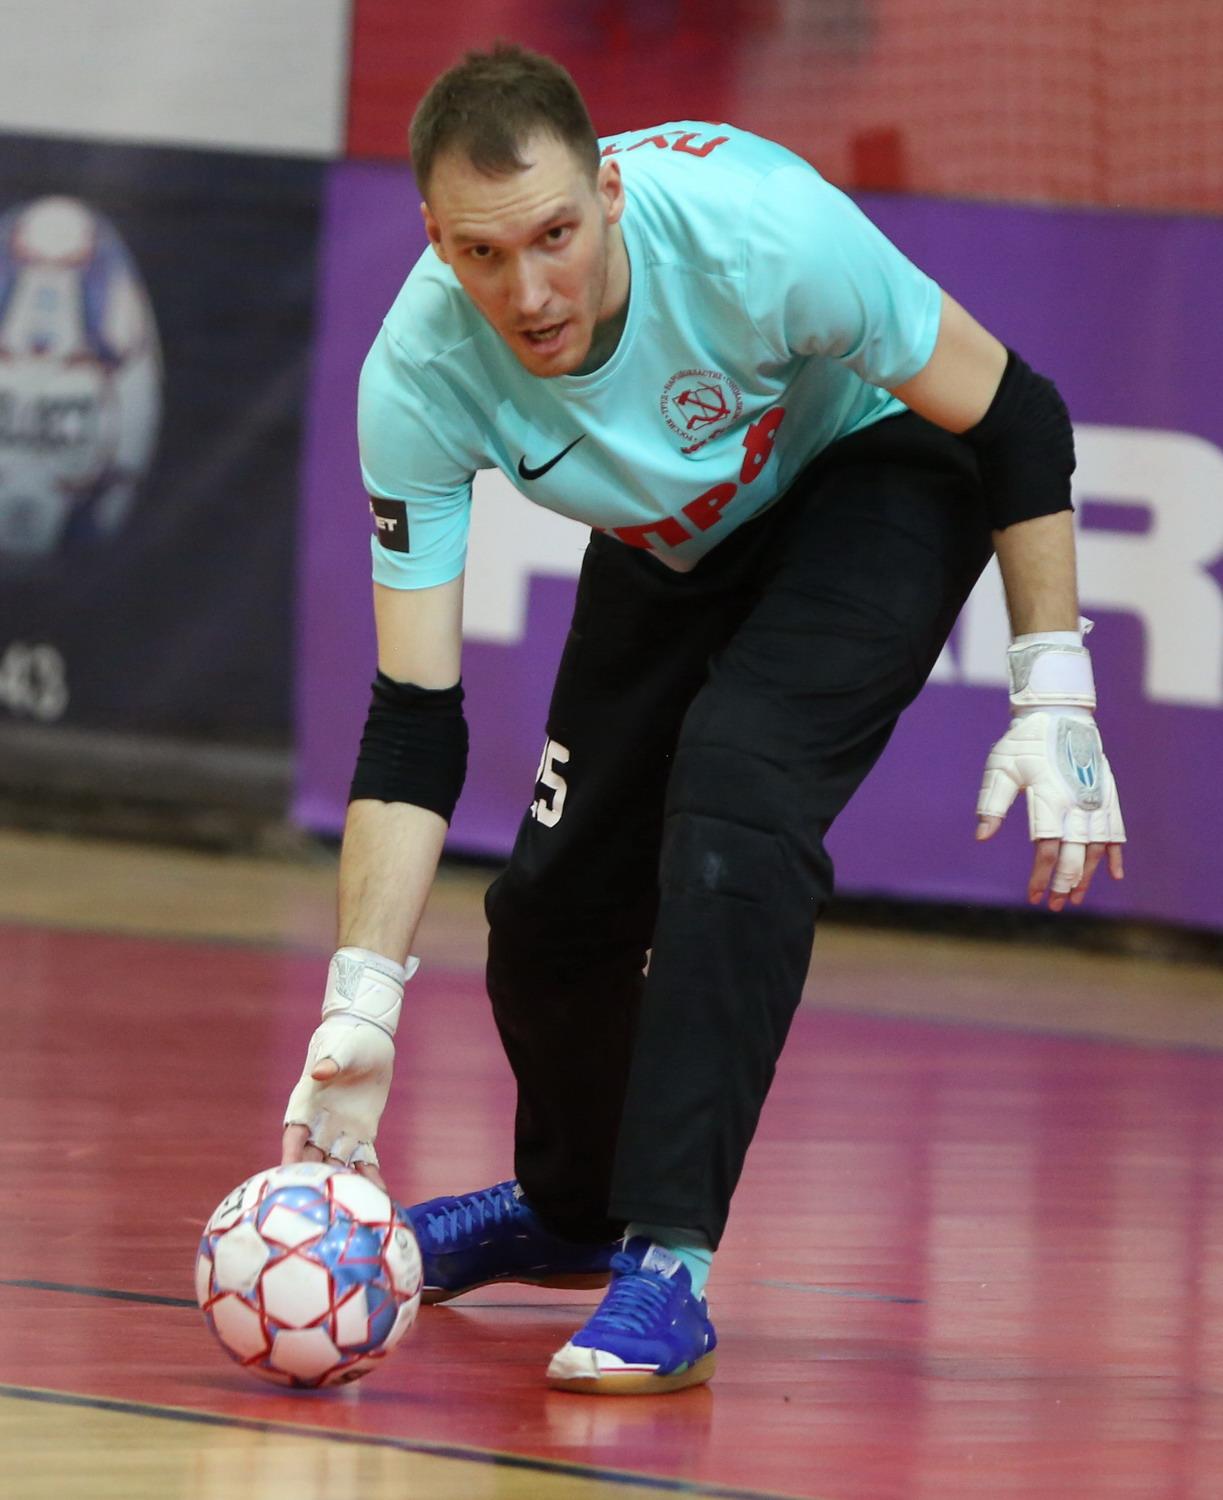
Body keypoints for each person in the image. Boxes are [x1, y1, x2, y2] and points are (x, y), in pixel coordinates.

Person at [281, 43, 1125, 1396]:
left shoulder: (760, 233)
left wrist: (1055, 684)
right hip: (677, 535)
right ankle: (573, 1209)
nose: (530, 292)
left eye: (556, 237)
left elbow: (1020, 414)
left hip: (878, 468)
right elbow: (412, 720)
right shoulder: (419, 371)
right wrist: (360, 1006)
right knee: (550, 914)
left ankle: (667, 1262)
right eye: (484, 255)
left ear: (609, 194)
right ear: (436, 238)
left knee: (739, 790)